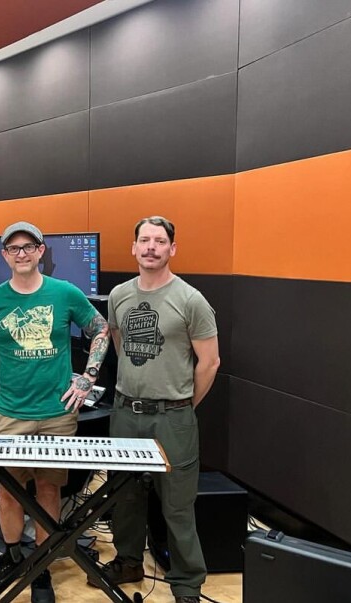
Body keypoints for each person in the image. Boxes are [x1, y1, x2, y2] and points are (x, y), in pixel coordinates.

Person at [0, 221, 111, 603]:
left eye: (29, 246)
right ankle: (12, 556)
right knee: (8, 492)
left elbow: (101, 329)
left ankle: (41, 567)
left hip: (56, 414)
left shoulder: (65, 293)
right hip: (11, 412)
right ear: (5, 255)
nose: (22, 253)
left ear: (41, 251)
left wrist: (88, 377)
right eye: (14, 248)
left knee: (48, 489)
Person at [101, 216, 220, 603]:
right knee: (125, 497)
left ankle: (187, 584)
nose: (151, 247)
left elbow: (210, 363)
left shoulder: (190, 300)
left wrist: (181, 404)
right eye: (144, 240)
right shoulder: (119, 295)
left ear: (172, 248)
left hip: (173, 418)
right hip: (125, 413)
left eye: (159, 241)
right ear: (134, 248)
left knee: (178, 506)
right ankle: (128, 561)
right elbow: (119, 344)